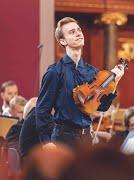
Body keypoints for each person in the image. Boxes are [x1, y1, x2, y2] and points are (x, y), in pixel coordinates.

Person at [35, 17, 125, 149]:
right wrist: (47, 141)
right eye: (72, 32)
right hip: (63, 138)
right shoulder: (55, 72)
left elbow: (101, 107)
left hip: (86, 138)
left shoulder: (92, 72)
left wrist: (115, 81)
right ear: (62, 41)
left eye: (79, 30)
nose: (78, 33)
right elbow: (42, 109)